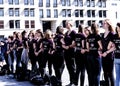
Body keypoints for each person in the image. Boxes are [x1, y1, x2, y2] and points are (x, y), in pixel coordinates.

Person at [61, 20, 76, 86]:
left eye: (67, 24)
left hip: (71, 51)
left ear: (70, 24)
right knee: (68, 67)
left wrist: (69, 46)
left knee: (72, 67)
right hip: (66, 52)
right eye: (66, 23)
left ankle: (74, 82)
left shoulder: (73, 32)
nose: (66, 25)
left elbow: (75, 42)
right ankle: (71, 81)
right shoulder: (66, 32)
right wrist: (63, 45)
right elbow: (64, 41)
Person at [101, 19, 115, 86]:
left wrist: (106, 52)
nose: (103, 24)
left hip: (109, 56)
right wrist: (99, 51)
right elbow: (101, 45)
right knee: (105, 73)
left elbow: (114, 47)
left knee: (110, 73)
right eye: (103, 23)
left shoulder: (111, 34)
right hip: (103, 56)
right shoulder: (103, 34)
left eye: (104, 23)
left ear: (108, 24)